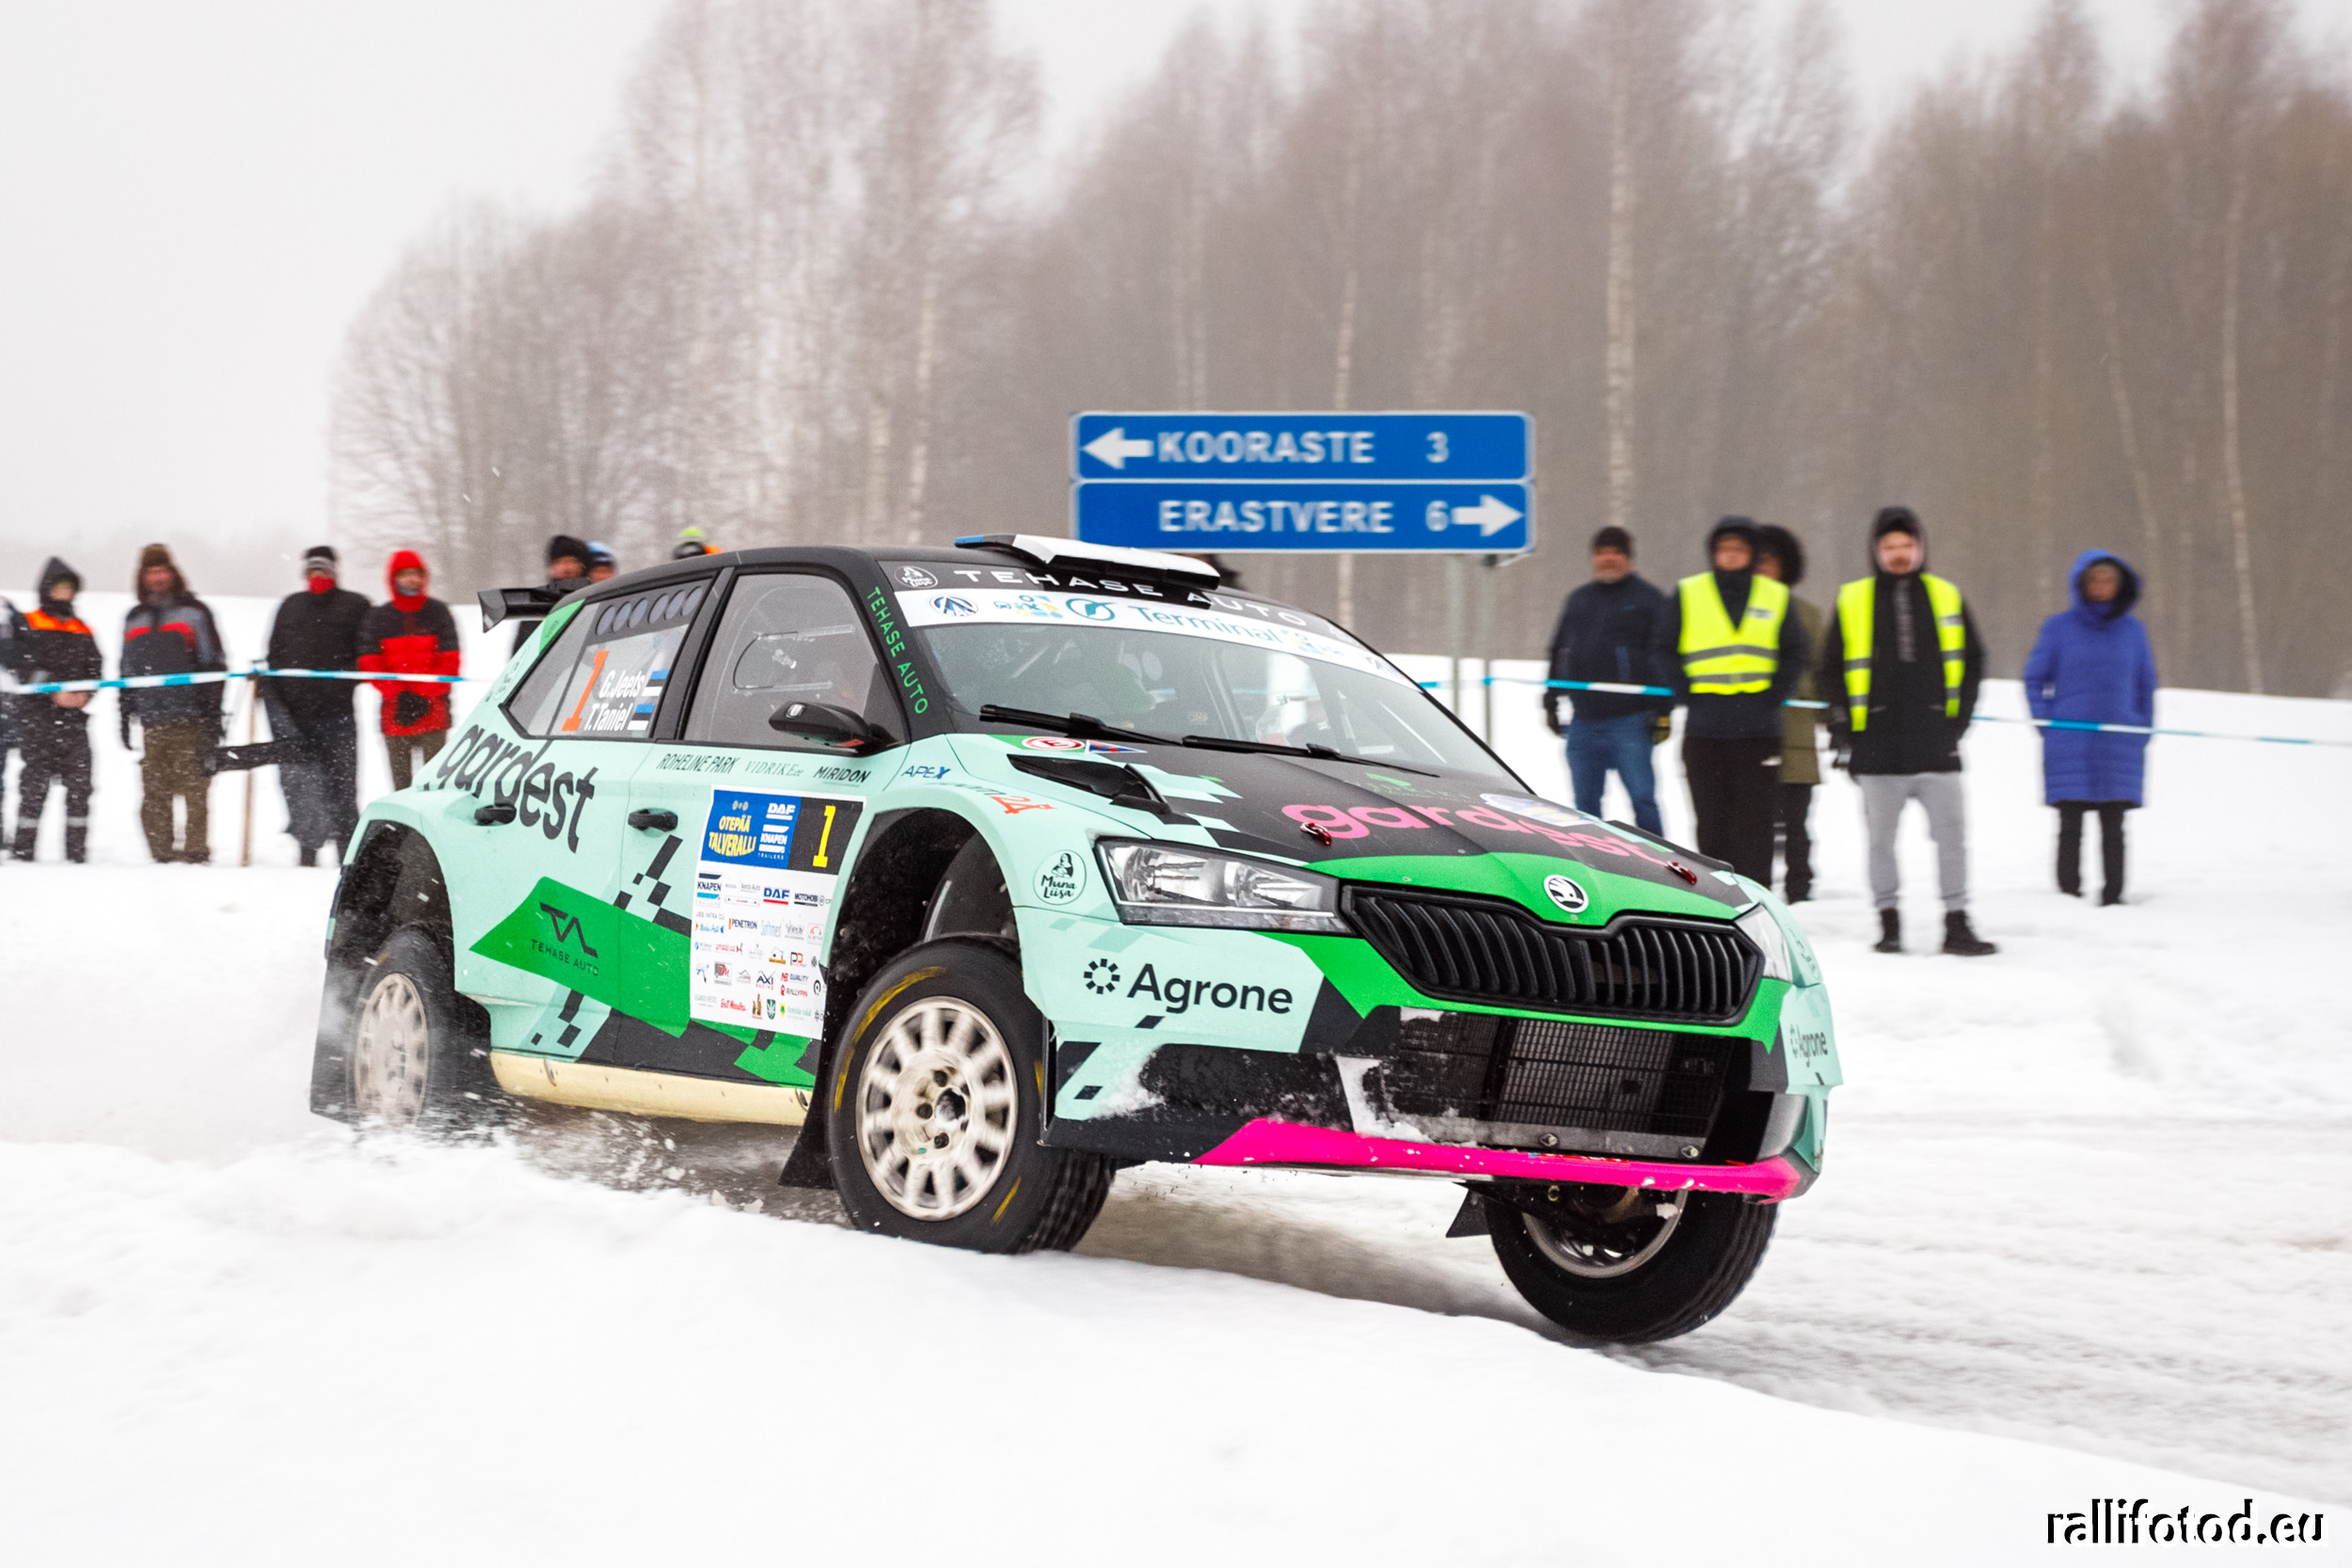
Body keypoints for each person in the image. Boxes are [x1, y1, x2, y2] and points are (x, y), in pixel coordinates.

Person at [1824, 507, 1995, 956]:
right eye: (1890, 547)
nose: (1899, 554)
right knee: (1881, 843)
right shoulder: (1853, 599)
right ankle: (1889, 924)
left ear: (1920, 548)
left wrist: (1959, 721)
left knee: (1952, 839)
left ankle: (1957, 923)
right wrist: (1843, 729)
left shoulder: (1946, 595)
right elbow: (1830, 670)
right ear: (1876, 551)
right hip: (1877, 746)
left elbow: (1974, 660)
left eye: (1906, 545)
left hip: (1937, 744)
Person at [1658, 516, 1810, 883]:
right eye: (1723, 548)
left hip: (1759, 733)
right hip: (1705, 731)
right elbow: (1663, 649)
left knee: (1756, 826)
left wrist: (1774, 695)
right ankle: (1717, 900)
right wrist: (1686, 693)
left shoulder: (1774, 595)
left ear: (1752, 554)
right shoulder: (1689, 592)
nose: (1730, 555)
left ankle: (1758, 896)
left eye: (1738, 549)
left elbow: (1795, 651)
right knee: (1711, 825)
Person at [2023, 550, 2155, 906]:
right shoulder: (2058, 628)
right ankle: (2069, 897)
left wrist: (2141, 730)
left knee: (2114, 826)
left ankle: (2114, 896)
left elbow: (2145, 685)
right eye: (2094, 579)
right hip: (2069, 742)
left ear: (2121, 585)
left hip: (2120, 743)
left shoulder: (2134, 632)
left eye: (2108, 579)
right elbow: (2034, 679)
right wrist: (2048, 724)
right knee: (2070, 825)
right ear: (2081, 583)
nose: (2101, 585)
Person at [1542, 525, 1670, 834]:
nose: (1608, 558)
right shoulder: (1579, 599)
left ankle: (1660, 860)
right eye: (1602, 553)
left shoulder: (1649, 599)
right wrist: (1551, 699)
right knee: (1585, 808)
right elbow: (1559, 650)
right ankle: (1593, 860)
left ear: (1629, 558)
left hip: (1630, 722)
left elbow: (1665, 656)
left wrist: (1664, 710)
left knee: (1643, 801)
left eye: (1616, 552)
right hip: (1583, 722)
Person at [263, 546, 372, 865]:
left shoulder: (356, 605)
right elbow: (274, 654)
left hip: (338, 715)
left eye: (323, 570)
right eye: (313, 570)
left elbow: (368, 651)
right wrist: (274, 690)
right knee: (300, 787)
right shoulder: (290, 606)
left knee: (343, 787)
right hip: (296, 717)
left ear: (334, 572)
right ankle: (307, 854)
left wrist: (345, 679)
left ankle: (347, 857)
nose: (318, 575)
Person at [121, 544, 228, 863]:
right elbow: (126, 672)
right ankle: (162, 854)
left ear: (173, 573)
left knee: (194, 787)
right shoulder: (134, 618)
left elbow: (214, 664)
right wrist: (123, 714)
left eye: (162, 571)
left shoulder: (195, 613)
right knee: (155, 791)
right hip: (151, 720)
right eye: (151, 572)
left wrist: (213, 715)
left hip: (191, 717)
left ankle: (196, 851)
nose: (157, 577)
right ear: (143, 577)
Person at [10, 559, 102, 862]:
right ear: (46, 588)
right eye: (59, 587)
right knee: (34, 787)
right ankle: (24, 850)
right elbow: (21, 667)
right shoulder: (28, 622)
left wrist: (86, 694)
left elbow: (96, 668)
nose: (64, 593)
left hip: (74, 721)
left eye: (69, 588)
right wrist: (53, 691)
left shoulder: (82, 628)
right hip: (36, 720)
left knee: (80, 786)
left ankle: (77, 852)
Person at [1755, 525, 1823, 902]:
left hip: (1796, 733)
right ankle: (1757, 885)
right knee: (1756, 818)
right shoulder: (1739, 612)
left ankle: (1800, 884)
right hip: (1750, 733)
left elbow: (1822, 671)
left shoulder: (1808, 615)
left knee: (1797, 818)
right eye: (1757, 561)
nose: (1762, 568)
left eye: (1770, 561)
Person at [359, 548, 463, 791]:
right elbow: (370, 662)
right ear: (393, 578)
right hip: (395, 715)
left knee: (435, 788)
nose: (412, 579)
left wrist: (423, 696)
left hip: (434, 714)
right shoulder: (379, 617)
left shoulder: (438, 612)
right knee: (401, 790)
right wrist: (400, 696)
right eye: (405, 574)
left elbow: (450, 661)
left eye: (416, 573)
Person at [512, 533, 593, 654]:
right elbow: (521, 655)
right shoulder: (538, 606)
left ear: (584, 566)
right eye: (559, 562)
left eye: (572, 561)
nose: (566, 568)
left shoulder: (594, 600)